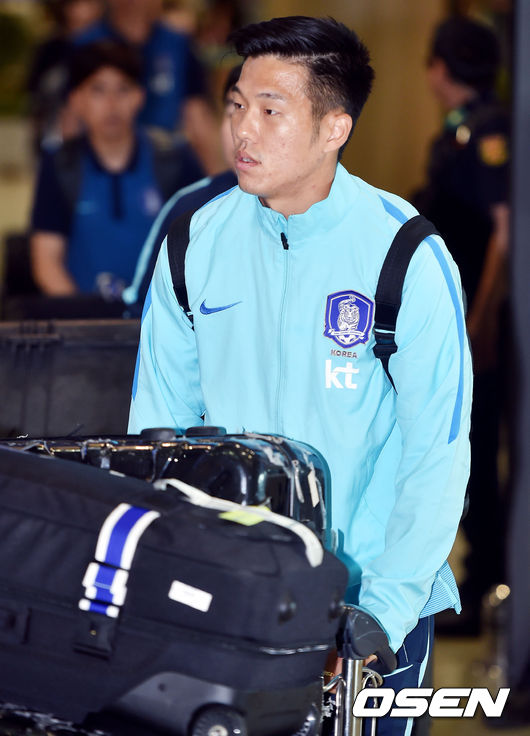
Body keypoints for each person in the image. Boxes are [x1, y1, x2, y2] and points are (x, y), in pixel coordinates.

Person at [129, 16, 472, 735]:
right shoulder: (194, 241)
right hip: (232, 599)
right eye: (236, 105)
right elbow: (157, 433)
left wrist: (383, 609)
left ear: (334, 128)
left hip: (370, 604)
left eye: (270, 110)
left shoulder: (403, 254)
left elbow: (436, 452)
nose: (242, 130)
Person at [414, 16, 510, 635]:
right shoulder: (461, 129)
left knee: (475, 450)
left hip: (480, 325)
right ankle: (472, 585)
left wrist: (480, 319)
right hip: (462, 317)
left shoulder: (488, 131)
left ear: (440, 69)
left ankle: (480, 590)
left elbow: (504, 230)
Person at [30, 40, 204, 297]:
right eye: (98, 90)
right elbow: (47, 263)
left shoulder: (174, 158)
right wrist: (85, 317)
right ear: (76, 100)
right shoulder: (59, 165)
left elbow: (201, 248)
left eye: (123, 89)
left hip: (161, 314)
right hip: (84, 315)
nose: (111, 104)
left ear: (140, 97)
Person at [122, 63, 240, 315]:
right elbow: (145, 312)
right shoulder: (190, 208)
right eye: (234, 110)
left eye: (268, 111)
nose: (243, 129)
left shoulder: (324, 209)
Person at [74, 0, 224, 174]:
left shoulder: (177, 44)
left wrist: (217, 179)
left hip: (164, 163)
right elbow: (71, 118)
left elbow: (198, 117)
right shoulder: (87, 44)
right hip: (99, 161)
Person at [27, 0, 105, 151]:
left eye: (90, 3)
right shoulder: (50, 50)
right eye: (75, 4)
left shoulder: (110, 49)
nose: (81, 10)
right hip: (54, 137)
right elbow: (36, 99)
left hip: (99, 140)